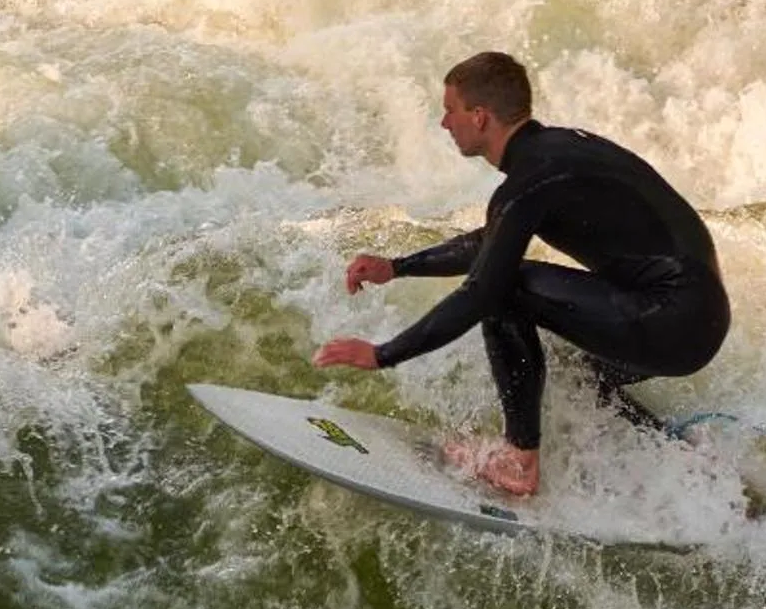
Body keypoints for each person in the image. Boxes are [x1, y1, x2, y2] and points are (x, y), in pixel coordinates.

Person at [312, 51, 730, 498]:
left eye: (450, 110)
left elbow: (482, 290)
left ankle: (519, 460)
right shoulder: (556, 157)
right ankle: (681, 461)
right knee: (578, 375)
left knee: (505, 290)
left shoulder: (530, 180)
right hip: (697, 319)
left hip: (670, 317)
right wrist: (398, 268)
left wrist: (383, 354)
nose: (443, 123)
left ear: (480, 117)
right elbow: (493, 240)